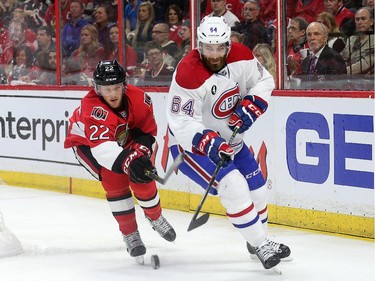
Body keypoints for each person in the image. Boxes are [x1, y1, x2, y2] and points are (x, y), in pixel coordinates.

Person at [166, 16, 291, 271]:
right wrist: (209, 142)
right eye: (208, 48)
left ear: (228, 45)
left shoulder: (242, 57)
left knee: (257, 187)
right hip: (191, 147)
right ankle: (261, 243)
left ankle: (257, 242)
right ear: (199, 45)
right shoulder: (188, 72)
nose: (214, 54)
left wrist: (252, 105)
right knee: (233, 185)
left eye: (219, 48)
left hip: (230, 140)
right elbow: (180, 121)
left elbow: (265, 81)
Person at [64, 60, 176, 263]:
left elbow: (145, 131)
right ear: (97, 88)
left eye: (116, 87)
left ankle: (155, 216)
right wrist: (129, 161)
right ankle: (129, 233)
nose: (113, 94)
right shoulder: (91, 107)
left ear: (124, 85)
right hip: (87, 145)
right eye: (107, 89)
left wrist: (138, 155)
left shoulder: (140, 99)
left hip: (122, 136)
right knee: (115, 180)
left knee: (143, 174)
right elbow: (102, 149)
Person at [299, 21, 347, 89]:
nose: (312, 38)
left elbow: (336, 87)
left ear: (325, 38)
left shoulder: (334, 58)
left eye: (316, 34)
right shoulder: (305, 62)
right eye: (309, 35)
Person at [342, 7, 374, 76]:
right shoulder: (351, 39)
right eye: (357, 19)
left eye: (363, 19)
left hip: (368, 82)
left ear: (371, 22)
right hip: (348, 80)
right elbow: (343, 58)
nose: (360, 22)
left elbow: (366, 64)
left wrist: (341, 72)